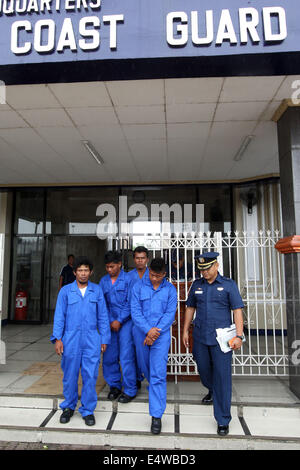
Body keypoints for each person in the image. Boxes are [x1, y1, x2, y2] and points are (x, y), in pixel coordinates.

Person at [182, 252, 244, 436]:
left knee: (223, 378)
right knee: (204, 370)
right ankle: (212, 388)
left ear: (216, 265)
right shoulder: (197, 285)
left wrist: (239, 336)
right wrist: (185, 330)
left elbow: (237, 311)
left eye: (207, 268)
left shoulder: (228, 285)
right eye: (201, 269)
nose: (205, 273)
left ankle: (223, 419)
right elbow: (190, 307)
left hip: (222, 340)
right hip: (201, 336)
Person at [51, 256, 110, 426]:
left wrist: (104, 338)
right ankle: (68, 407)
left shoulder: (97, 291)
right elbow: (59, 316)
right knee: (70, 375)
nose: (83, 273)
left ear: (91, 272)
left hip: (92, 339)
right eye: (80, 270)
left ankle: (87, 410)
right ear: (75, 272)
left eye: (86, 270)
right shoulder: (65, 291)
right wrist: (58, 339)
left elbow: (103, 316)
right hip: (71, 339)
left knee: (90, 376)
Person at [131, 257, 177, 435]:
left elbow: (169, 314)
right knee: (145, 368)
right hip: (141, 334)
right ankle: (155, 392)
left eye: (158, 276)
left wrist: (155, 332)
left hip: (161, 336)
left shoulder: (170, 290)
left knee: (157, 374)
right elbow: (135, 312)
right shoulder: (138, 287)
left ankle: (156, 416)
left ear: (164, 274)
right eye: (152, 274)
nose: (154, 278)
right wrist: (147, 331)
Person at [100, 251, 137, 403]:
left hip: (126, 323)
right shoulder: (103, 281)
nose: (109, 270)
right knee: (109, 355)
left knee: (126, 356)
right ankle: (114, 386)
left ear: (120, 264)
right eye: (107, 267)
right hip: (109, 324)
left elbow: (131, 303)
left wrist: (120, 320)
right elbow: (102, 304)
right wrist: (110, 320)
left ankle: (130, 389)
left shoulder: (129, 280)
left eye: (112, 266)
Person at [127, 246, 150, 389]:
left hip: (149, 320)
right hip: (131, 319)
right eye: (137, 258)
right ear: (134, 259)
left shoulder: (153, 275)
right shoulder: (128, 276)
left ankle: (150, 377)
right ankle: (135, 378)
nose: (140, 261)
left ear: (147, 259)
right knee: (131, 351)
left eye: (142, 258)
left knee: (146, 352)